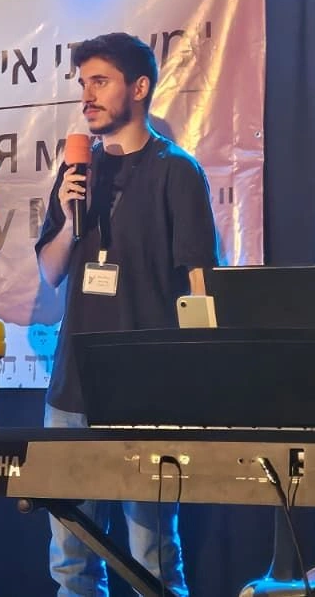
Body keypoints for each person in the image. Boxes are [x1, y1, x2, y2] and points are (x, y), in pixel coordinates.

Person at [35, 32, 220, 596]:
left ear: (138, 88)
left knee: (152, 556)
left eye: (100, 81)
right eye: (83, 83)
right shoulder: (78, 170)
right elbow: (51, 270)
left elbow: (199, 278)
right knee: (71, 555)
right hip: (74, 388)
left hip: (148, 392)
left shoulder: (176, 170)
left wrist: (197, 377)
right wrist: (71, 216)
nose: (86, 95)